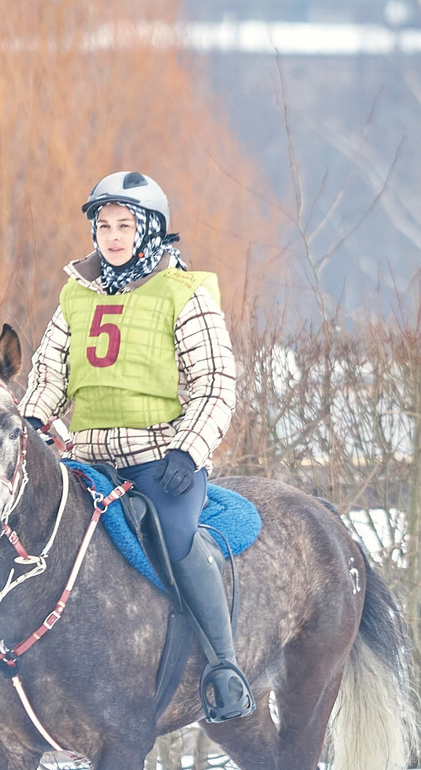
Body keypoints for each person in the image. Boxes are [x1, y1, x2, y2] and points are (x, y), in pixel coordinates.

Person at [17, 171, 253, 723]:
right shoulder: (76, 294)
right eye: (104, 226)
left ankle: (224, 668)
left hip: (161, 462)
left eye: (126, 225)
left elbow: (216, 380)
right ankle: (1, 671)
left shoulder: (184, 292)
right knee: (30, 532)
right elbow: (52, 370)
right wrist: (34, 415)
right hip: (89, 457)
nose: (113, 236)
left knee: (174, 539)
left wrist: (188, 449)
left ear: (150, 229)